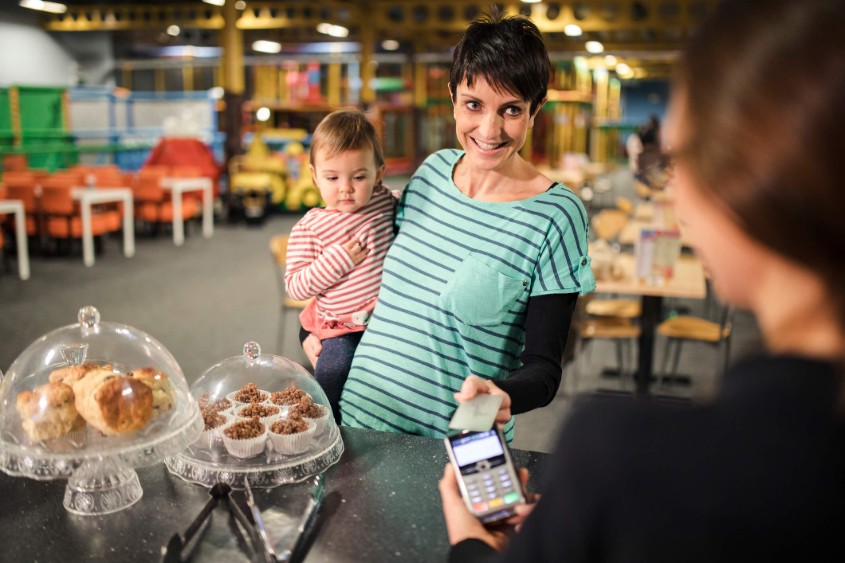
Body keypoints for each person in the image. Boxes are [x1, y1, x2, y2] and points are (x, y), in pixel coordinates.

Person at [439, 0, 845, 560]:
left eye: (680, 160)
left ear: (753, 182)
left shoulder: (622, 458)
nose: (673, 191)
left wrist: (471, 541)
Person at [302, 9, 595, 440]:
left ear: (535, 111)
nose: (489, 129)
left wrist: (500, 394)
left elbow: (544, 371)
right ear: (453, 97)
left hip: (450, 445)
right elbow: (360, 267)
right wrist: (311, 326)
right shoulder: (432, 173)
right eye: (473, 105)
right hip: (354, 421)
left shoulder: (555, 216)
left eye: (511, 110)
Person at [285, 109, 398, 423]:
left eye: (359, 177)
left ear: (379, 173)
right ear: (314, 175)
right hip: (341, 326)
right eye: (332, 178)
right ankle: (322, 427)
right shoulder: (311, 227)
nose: (346, 188)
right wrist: (338, 260)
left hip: (388, 320)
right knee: (332, 372)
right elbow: (295, 285)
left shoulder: (384, 202)